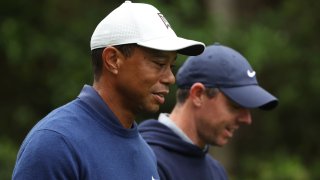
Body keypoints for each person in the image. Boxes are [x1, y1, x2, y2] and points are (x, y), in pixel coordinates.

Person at [12, 1, 205, 179]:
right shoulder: (56, 143)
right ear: (113, 60)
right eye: (159, 63)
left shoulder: (145, 152)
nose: (170, 78)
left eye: (171, 66)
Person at [138, 43, 279, 180]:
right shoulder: (144, 159)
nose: (246, 119)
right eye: (235, 106)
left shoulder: (216, 171)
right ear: (198, 94)